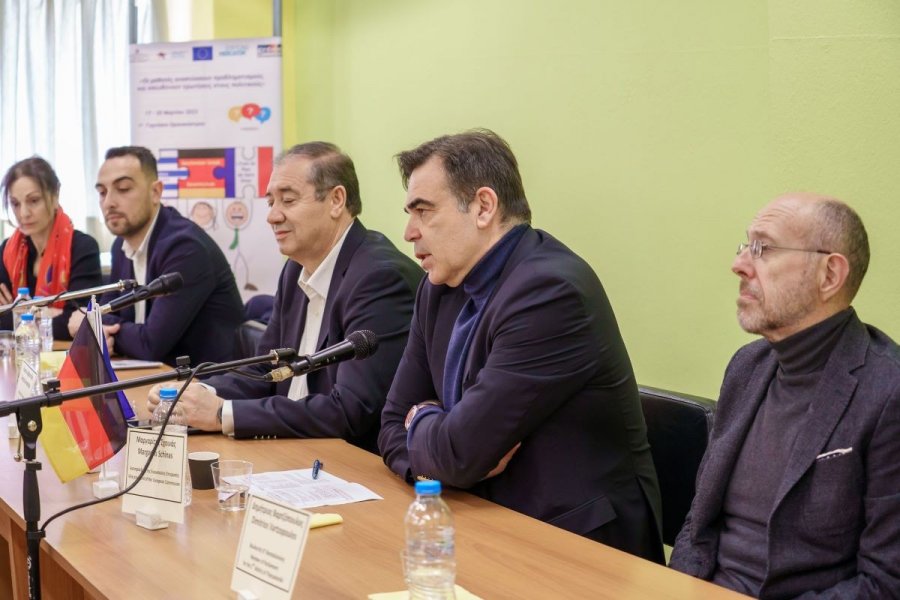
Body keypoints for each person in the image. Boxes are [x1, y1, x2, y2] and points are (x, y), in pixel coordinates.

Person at [378, 129, 663, 562]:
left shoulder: (550, 291)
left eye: (424, 211)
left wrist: (424, 425)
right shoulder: (438, 288)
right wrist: (439, 455)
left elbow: (459, 453)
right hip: (481, 520)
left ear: (483, 207)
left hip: (575, 545)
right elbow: (391, 423)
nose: (409, 232)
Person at [670, 194, 900, 598]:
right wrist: (675, 588)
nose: (739, 264)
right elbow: (698, 523)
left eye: (764, 248)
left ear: (829, 275)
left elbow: (886, 583)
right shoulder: (747, 366)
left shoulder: (888, 391)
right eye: (745, 246)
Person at [147, 142, 421, 451]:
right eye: (270, 202)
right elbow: (263, 371)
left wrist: (223, 413)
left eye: (288, 200)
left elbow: (350, 410)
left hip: (347, 461)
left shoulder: (379, 278)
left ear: (336, 200)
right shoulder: (295, 269)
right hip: (291, 450)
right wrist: (197, 392)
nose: (272, 216)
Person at [68, 146, 244, 365]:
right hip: (159, 374)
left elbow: (151, 344)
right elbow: (104, 312)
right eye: (102, 192)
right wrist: (98, 325)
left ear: (156, 192)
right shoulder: (121, 246)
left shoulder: (185, 248)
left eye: (123, 189)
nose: (109, 202)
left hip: (209, 379)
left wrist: (94, 328)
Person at [0, 156, 102, 339]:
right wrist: (47, 314)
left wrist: (18, 312)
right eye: (15, 203)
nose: (23, 213)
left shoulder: (83, 248)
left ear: (55, 195)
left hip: (67, 354)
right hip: (21, 353)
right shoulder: (7, 251)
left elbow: (78, 324)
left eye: (34, 200)